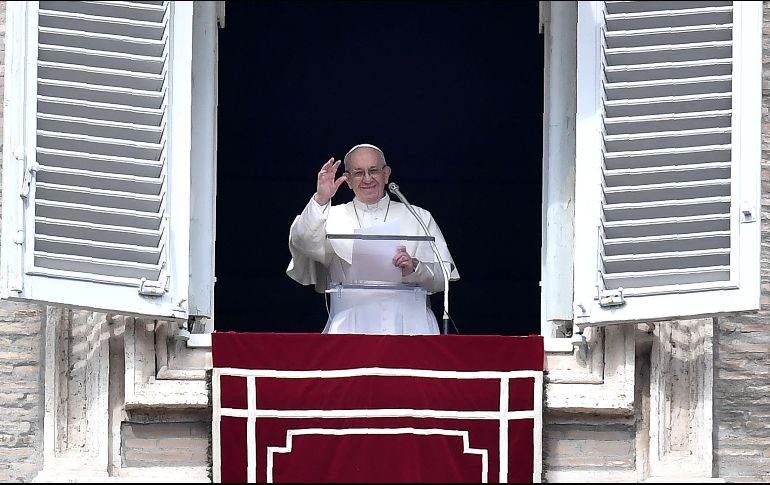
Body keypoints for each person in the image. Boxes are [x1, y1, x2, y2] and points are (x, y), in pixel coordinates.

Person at [286, 143, 460, 335]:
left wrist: (415, 268)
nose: (367, 179)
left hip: (412, 325)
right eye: (359, 172)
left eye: (374, 170)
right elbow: (302, 242)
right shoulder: (328, 216)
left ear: (386, 174)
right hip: (350, 325)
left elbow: (444, 276)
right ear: (348, 180)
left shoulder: (417, 215)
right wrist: (321, 199)